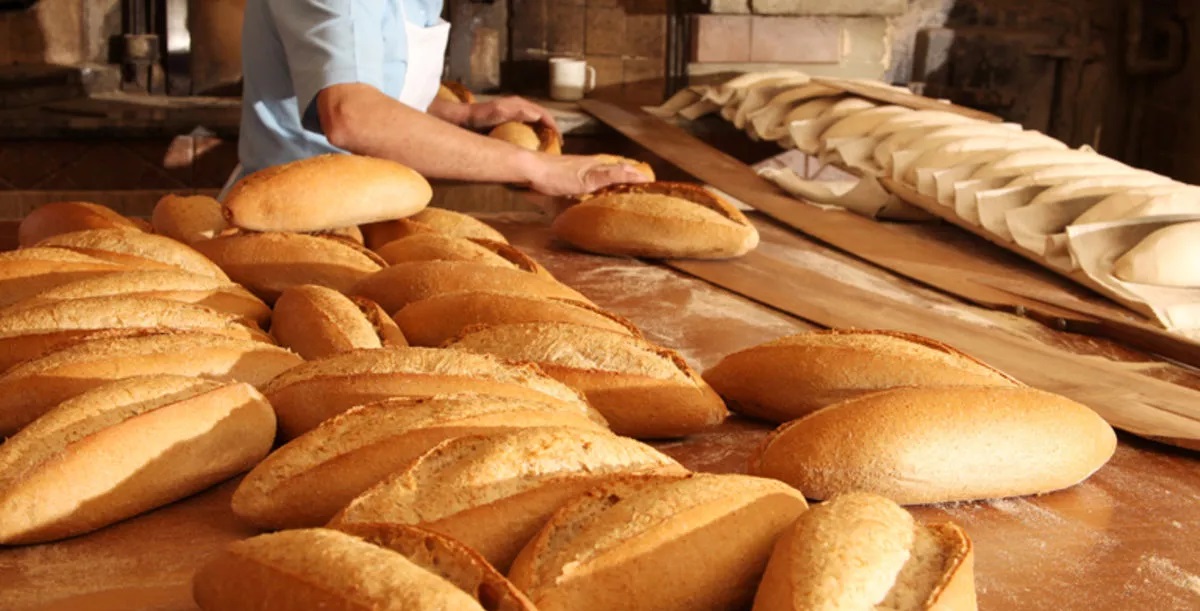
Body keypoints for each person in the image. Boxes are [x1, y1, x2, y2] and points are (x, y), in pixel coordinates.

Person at [220, 0, 651, 201]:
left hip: (375, 207)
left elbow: (382, 84)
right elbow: (351, 113)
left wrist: (463, 116)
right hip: (288, 215)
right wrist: (537, 167)